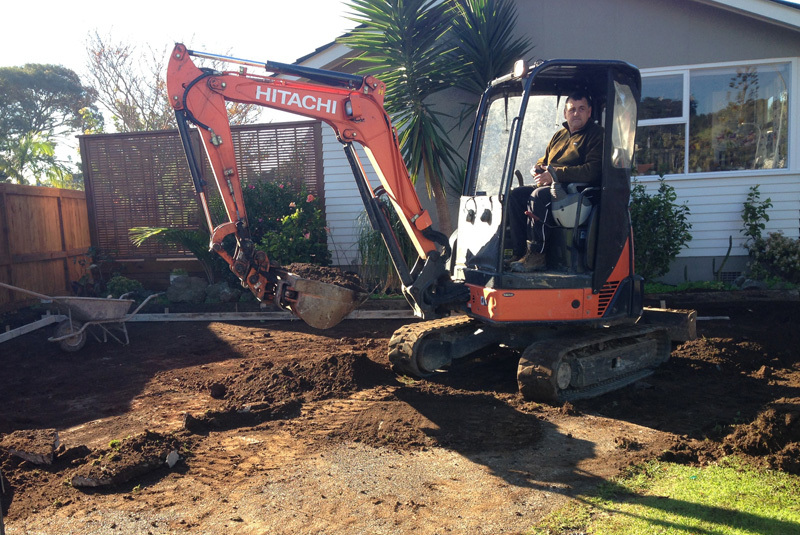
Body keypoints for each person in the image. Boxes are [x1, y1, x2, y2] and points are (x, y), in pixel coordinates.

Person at [508, 91, 603, 272]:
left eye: (581, 109)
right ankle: (520, 253)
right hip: (554, 186)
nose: (576, 113)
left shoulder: (596, 135)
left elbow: (592, 171)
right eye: (572, 109)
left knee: (538, 196)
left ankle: (538, 255)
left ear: (589, 112)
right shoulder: (559, 135)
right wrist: (538, 169)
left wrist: (555, 175)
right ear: (565, 113)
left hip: (576, 193)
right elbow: (544, 160)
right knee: (516, 195)